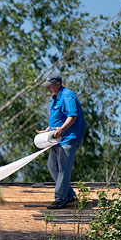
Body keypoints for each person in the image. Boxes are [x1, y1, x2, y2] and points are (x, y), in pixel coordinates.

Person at [36, 74, 86, 210]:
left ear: (58, 84)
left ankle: (60, 199)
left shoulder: (67, 96)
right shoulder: (55, 97)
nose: (48, 89)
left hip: (68, 139)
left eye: (50, 86)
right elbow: (58, 118)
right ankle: (69, 194)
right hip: (56, 139)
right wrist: (48, 130)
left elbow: (72, 116)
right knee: (52, 166)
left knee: (63, 169)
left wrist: (62, 129)